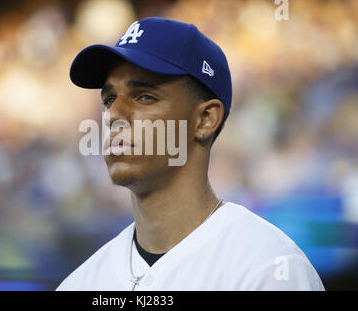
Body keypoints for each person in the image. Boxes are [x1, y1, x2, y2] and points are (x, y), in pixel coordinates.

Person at [57, 17, 324, 291]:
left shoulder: (269, 268)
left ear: (205, 119)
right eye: (109, 100)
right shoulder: (79, 284)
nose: (114, 115)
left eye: (144, 96)